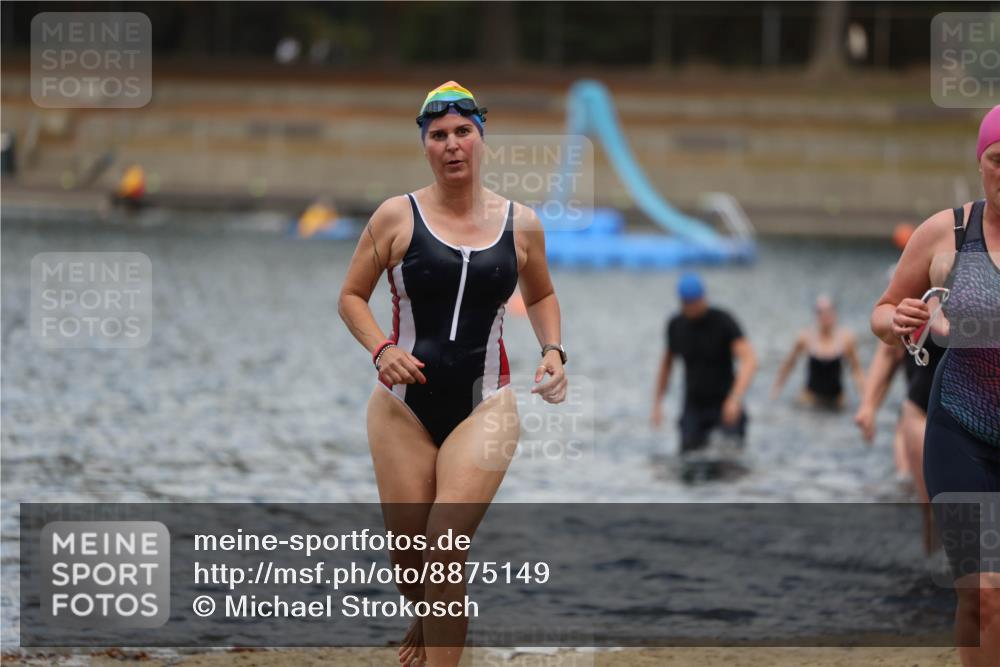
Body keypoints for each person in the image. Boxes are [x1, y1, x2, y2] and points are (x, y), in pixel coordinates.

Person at [338, 81, 567, 667]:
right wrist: (380, 349)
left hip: (485, 404)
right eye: (438, 135)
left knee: (444, 549)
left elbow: (541, 294)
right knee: (411, 568)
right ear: (425, 146)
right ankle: (433, 613)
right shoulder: (395, 216)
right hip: (400, 409)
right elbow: (351, 297)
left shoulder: (521, 222)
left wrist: (553, 350)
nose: (452, 144)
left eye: (463, 132)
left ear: (481, 140)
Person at [871, 105, 1000, 666]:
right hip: (960, 432)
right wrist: (896, 319)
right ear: (980, 163)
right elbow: (881, 312)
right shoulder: (947, 231)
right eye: (999, 160)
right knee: (982, 594)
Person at [651, 272, 757, 454]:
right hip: (694, 403)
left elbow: (750, 360)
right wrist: (657, 403)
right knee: (688, 454)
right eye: (687, 303)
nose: (692, 307)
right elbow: (667, 365)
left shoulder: (723, 321)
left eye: (695, 302)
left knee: (730, 456)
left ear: (704, 298)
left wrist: (735, 398)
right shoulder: (676, 325)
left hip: (725, 400)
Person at [771, 295, 864, 410]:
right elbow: (789, 364)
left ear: (835, 313)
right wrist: (776, 390)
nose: (825, 316)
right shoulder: (805, 337)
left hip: (836, 399)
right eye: (821, 312)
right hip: (810, 398)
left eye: (828, 311)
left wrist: (865, 397)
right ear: (816, 315)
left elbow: (856, 370)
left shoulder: (846, 338)